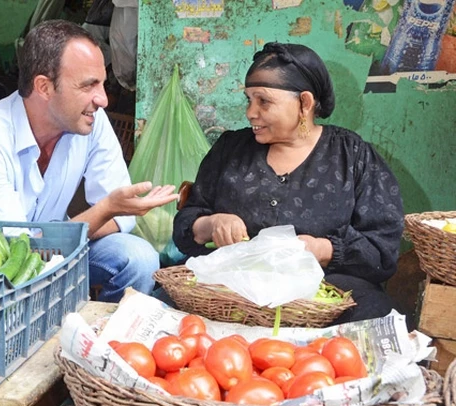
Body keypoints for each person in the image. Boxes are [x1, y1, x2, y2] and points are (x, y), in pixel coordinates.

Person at [173, 42, 404, 323]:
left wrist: (322, 250)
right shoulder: (230, 149)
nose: (250, 113)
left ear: (304, 103)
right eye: (249, 100)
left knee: (375, 314)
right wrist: (210, 224)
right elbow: (186, 223)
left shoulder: (352, 156)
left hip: (321, 294)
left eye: (264, 101)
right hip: (233, 289)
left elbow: (382, 251)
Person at [0, 19, 178, 302]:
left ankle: (106, 340)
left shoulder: (92, 122)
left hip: (61, 250)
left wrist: (75, 230)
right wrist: (104, 210)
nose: (104, 99)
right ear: (44, 87)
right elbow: (15, 249)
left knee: (139, 258)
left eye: (103, 84)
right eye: (89, 85)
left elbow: (123, 220)